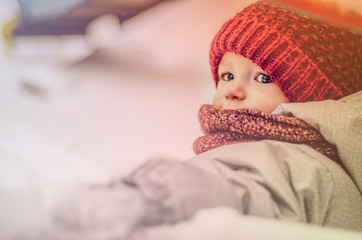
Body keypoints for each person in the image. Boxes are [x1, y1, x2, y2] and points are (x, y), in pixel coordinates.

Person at [52, 0, 362, 239]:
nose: (234, 89)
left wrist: (159, 197)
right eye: (227, 75)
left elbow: (246, 192)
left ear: (316, 97)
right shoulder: (283, 150)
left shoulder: (298, 161)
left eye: (264, 77)